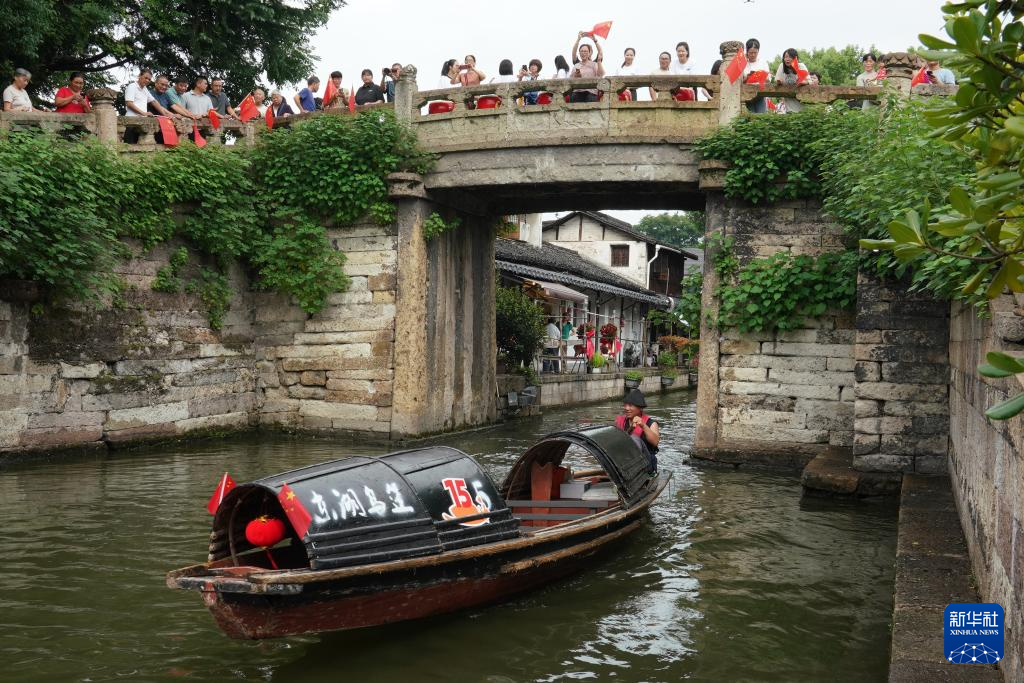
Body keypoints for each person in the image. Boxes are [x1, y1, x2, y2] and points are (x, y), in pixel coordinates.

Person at [616, 389, 660, 473]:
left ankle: (635, 472)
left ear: (640, 408)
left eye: (630, 405)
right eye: (625, 405)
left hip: (646, 464)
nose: (627, 408)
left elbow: (655, 442)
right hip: (625, 462)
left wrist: (643, 425)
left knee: (634, 438)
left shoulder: (651, 424)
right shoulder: (620, 421)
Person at [124, 69, 174, 142]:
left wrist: (165, 115)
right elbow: (129, 103)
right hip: (131, 121)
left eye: (149, 79)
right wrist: (143, 113)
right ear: (139, 76)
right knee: (129, 145)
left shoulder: (145, 89)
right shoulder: (132, 86)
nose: (147, 80)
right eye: (146, 78)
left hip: (141, 123)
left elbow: (154, 102)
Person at [569, 32, 605, 102]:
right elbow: (573, 53)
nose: (583, 53)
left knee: (590, 98)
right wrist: (578, 39)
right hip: (578, 92)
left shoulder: (594, 64)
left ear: (589, 53)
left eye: (585, 51)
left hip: (591, 93)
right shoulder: (576, 65)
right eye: (581, 51)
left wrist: (595, 40)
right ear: (579, 53)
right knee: (574, 97)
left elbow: (600, 52)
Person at [773, 48, 808, 113]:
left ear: (795, 58)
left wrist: (802, 82)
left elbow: (809, 81)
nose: (787, 59)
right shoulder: (782, 66)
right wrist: (779, 82)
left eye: (790, 57)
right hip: (789, 102)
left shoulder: (801, 66)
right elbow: (777, 80)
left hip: (802, 100)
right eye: (785, 57)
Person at [743, 38, 771, 113]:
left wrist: (760, 76)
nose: (753, 55)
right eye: (751, 52)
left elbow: (768, 79)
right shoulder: (743, 63)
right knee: (750, 116)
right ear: (747, 51)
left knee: (761, 116)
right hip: (747, 94)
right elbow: (740, 80)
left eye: (755, 52)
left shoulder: (763, 63)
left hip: (760, 94)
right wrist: (747, 78)